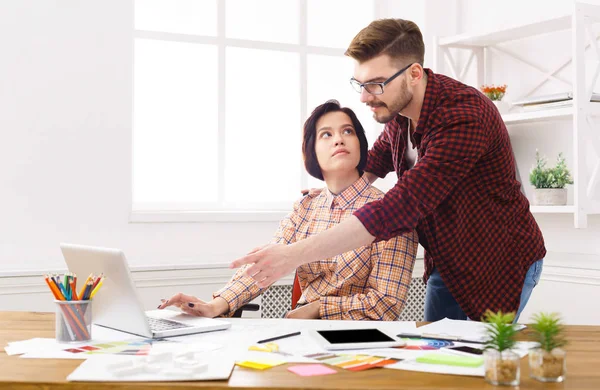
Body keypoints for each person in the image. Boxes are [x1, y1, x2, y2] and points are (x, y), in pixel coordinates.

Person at [231, 19, 546, 323]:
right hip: (448, 263)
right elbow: (373, 163)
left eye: (376, 85)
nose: (365, 97)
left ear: (413, 73)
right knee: (435, 361)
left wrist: (290, 256)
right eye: (361, 84)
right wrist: (334, 193)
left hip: (498, 261)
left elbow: (401, 207)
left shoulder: (463, 117)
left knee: (480, 362)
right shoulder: (399, 112)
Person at [158, 100, 418, 320]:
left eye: (348, 131)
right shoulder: (305, 208)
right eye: (326, 134)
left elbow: (385, 303)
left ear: (361, 143)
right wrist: (215, 305)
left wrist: (316, 309)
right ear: (312, 152)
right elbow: (267, 265)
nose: (339, 139)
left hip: (361, 342)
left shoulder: (390, 212)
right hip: (301, 333)